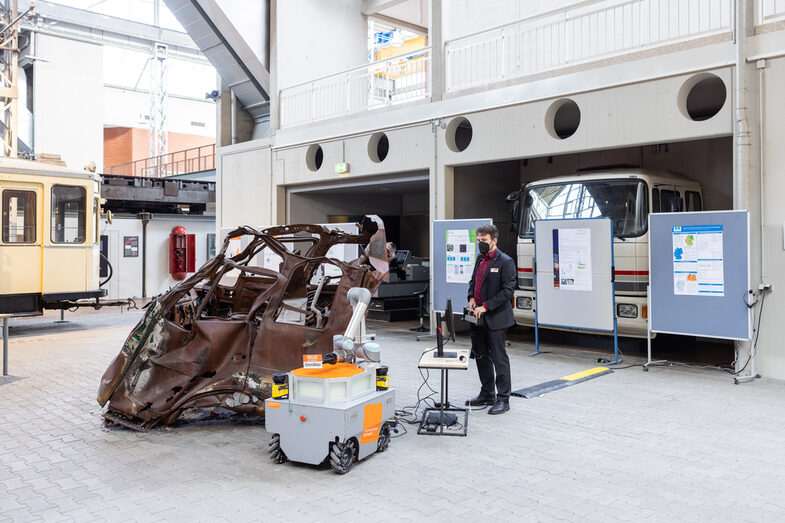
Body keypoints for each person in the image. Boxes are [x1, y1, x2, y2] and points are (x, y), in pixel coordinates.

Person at [465, 224, 516, 415]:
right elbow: (474, 282)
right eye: (478, 241)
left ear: (494, 240)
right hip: (477, 317)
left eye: (484, 241)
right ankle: (487, 393)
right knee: (480, 355)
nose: (481, 244)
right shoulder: (480, 259)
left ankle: (503, 399)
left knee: (499, 358)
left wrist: (485, 306)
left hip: (496, 318)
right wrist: (471, 298)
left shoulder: (506, 262)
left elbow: (507, 292)